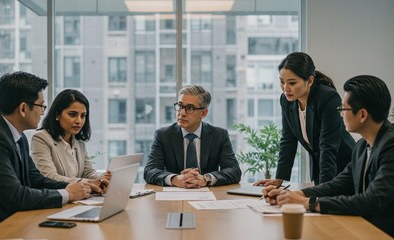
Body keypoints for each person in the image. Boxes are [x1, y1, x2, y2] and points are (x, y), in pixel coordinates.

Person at [0, 71, 101, 228]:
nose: (43, 112)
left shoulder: (18, 136)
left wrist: (80, 188)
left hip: (11, 219)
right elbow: (16, 196)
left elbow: (36, 180)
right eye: (41, 106)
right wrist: (68, 194)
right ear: (23, 108)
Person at [262, 75, 394, 237]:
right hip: (364, 229)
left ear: (362, 115)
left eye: (343, 109)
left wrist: (309, 203)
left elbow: (371, 201)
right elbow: (339, 184)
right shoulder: (361, 146)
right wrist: (295, 195)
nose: (340, 114)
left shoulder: (391, 146)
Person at [255, 52, 355, 186]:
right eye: (282, 82)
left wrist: (324, 190)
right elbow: (288, 139)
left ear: (309, 81)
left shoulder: (328, 98)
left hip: (344, 168)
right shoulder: (287, 100)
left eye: (292, 82)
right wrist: (279, 179)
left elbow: (328, 146)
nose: (285, 88)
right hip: (322, 170)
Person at [144, 85, 241, 188]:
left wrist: (206, 179)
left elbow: (234, 171)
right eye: (180, 106)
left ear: (203, 113)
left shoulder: (219, 135)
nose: (182, 113)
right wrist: (175, 179)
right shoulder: (163, 135)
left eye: (190, 108)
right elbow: (150, 170)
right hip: (175, 196)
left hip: (207, 197)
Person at [31, 89, 110, 189]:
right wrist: (89, 182)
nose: (79, 121)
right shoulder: (41, 138)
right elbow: (49, 177)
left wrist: (103, 178)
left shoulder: (79, 142)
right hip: (56, 199)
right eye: (73, 114)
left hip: (78, 198)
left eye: (83, 116)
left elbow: (88, 172)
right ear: (57, 114)